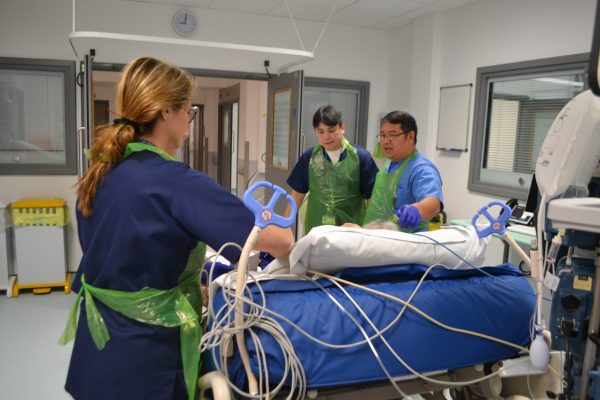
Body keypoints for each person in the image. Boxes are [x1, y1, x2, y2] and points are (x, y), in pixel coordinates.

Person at [59, 57, 294, 400]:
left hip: (96, 351)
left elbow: (127, 249)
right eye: (188, 110)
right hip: (145, 358)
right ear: (166, 111)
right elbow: (277, 242)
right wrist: (283, 232)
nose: (189, 119)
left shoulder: (101, 172)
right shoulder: (176, 183)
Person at [285, 105, 378, 235]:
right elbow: (297, 195)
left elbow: (372, 199)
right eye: (321, 131)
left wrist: (370, 232)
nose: (326, 136)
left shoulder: (361, 157)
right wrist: (283, 227)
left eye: (331, 130)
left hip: (351, 231)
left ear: (342, 128)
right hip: (316, 228)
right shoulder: (309, 157)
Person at [362, 110, 443, 232]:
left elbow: (433, 203)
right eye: (382, 135)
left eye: (392, 135)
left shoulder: (421, 169)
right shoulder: (388, 164)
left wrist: (417, 210)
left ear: (410, 136)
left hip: (406, 245)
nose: (386, 141)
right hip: (378, 241)